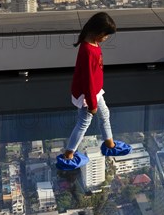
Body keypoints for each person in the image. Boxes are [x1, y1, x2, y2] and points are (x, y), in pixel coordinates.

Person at [56, 12, 131, 170]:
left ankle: (109, 143)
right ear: (98, 32)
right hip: (88, 95)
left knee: (105, 115)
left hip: (95, 92)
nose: (106, 38)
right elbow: (88, 80)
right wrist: (91, 104)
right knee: (83, 124)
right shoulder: (88, 51)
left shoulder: (91, 45)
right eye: (106, 35)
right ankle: (68, 154)